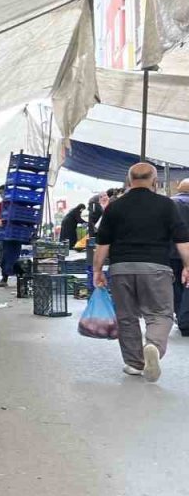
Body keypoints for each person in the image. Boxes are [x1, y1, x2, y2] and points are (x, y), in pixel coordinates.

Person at [93, 163, 189, 382]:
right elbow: (182, 240)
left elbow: (103, 244)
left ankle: (135, 364)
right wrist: (187, 266)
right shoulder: (166, 205)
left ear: (129, 181)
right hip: (156, 268)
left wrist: (97, 270)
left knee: (127, 317)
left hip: (121, 269)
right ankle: (153, 345)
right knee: (160, 313)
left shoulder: (115, 207)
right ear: (154, 181)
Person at [0, 185, 23, 288]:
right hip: (4, 236)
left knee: (15, 257)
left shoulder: (17, 205)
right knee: (3, 257)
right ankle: (5, 278)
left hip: (16, 235)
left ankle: (20, 277)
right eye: (0, 193)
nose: (2, 195)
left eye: (3, 192)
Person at [174, 179, 189, 335]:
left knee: (175, 284)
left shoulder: (169, 203)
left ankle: (180, 314)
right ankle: (185, 319)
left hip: (171, 251)